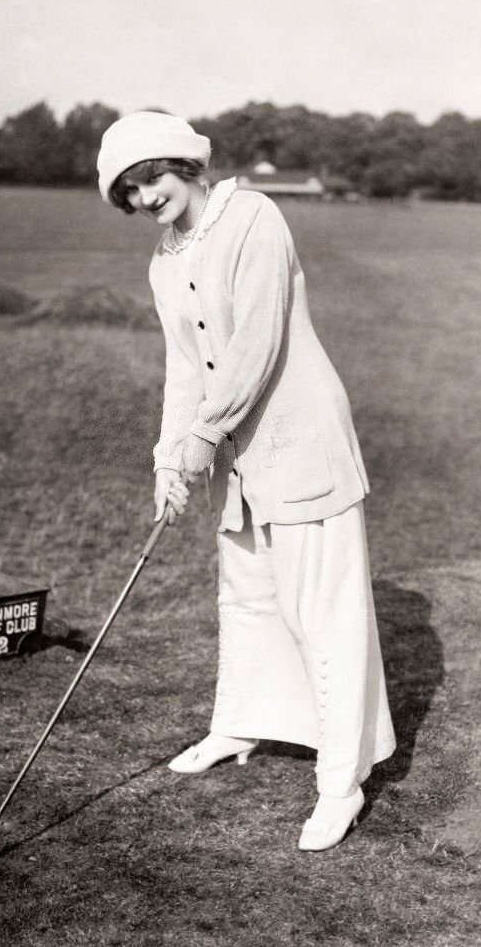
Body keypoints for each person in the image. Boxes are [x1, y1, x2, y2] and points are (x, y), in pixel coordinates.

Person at [97, 111, 396, 851]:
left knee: (321, 615)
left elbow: (258, 341)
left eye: (150, 178)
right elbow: (181, 369)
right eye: (128, 191)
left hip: (299, 442)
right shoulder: (165, 260)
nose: (143, 198)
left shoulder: (254, 217)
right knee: (250, 599)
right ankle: (239, 726)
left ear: (184, 166)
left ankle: (340, 784)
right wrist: (170, 457)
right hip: (236, 456)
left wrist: (203, 433)